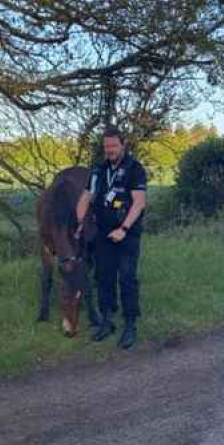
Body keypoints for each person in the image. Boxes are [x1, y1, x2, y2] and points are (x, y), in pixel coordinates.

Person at [75, 126, 148, 349]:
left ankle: (130, 325)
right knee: (103, 277)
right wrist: (79, 223)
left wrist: (124, 228)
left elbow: (139, 202)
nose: (110, 150)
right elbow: (86, 197)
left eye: (114, 145)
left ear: (122, 145)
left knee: (127, 278)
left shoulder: (135, 169)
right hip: (103, 233)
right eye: (106, 146)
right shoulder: (98, 170)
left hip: (127, 233)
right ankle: (107, 321)